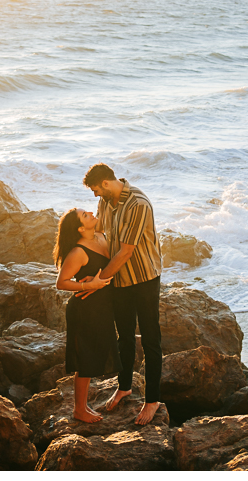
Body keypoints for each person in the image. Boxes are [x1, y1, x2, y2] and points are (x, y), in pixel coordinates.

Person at [81, 163, 163, 425]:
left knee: (150, 339)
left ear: (105, 183)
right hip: (120, 280)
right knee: (124, 336)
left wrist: (98, 280)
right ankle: (125, 386)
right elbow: (100, 233)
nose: (95, 196)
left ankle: (152, 401)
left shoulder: (138, 203)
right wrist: (83, 266)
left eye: (95, 190)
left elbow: (126, 251)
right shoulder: (107, 202)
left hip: (144, 278)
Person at [53, 207, 121, 423]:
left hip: (101, 308)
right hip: (84, 310)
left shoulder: (101, 236)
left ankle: (83, 407)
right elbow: (61, 283)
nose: (91, 213)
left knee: (95, 355)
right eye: (85, 216)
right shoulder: (78, 252)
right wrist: (88, 284)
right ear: (81, 229)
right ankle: (79, 410)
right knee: (85, 359)